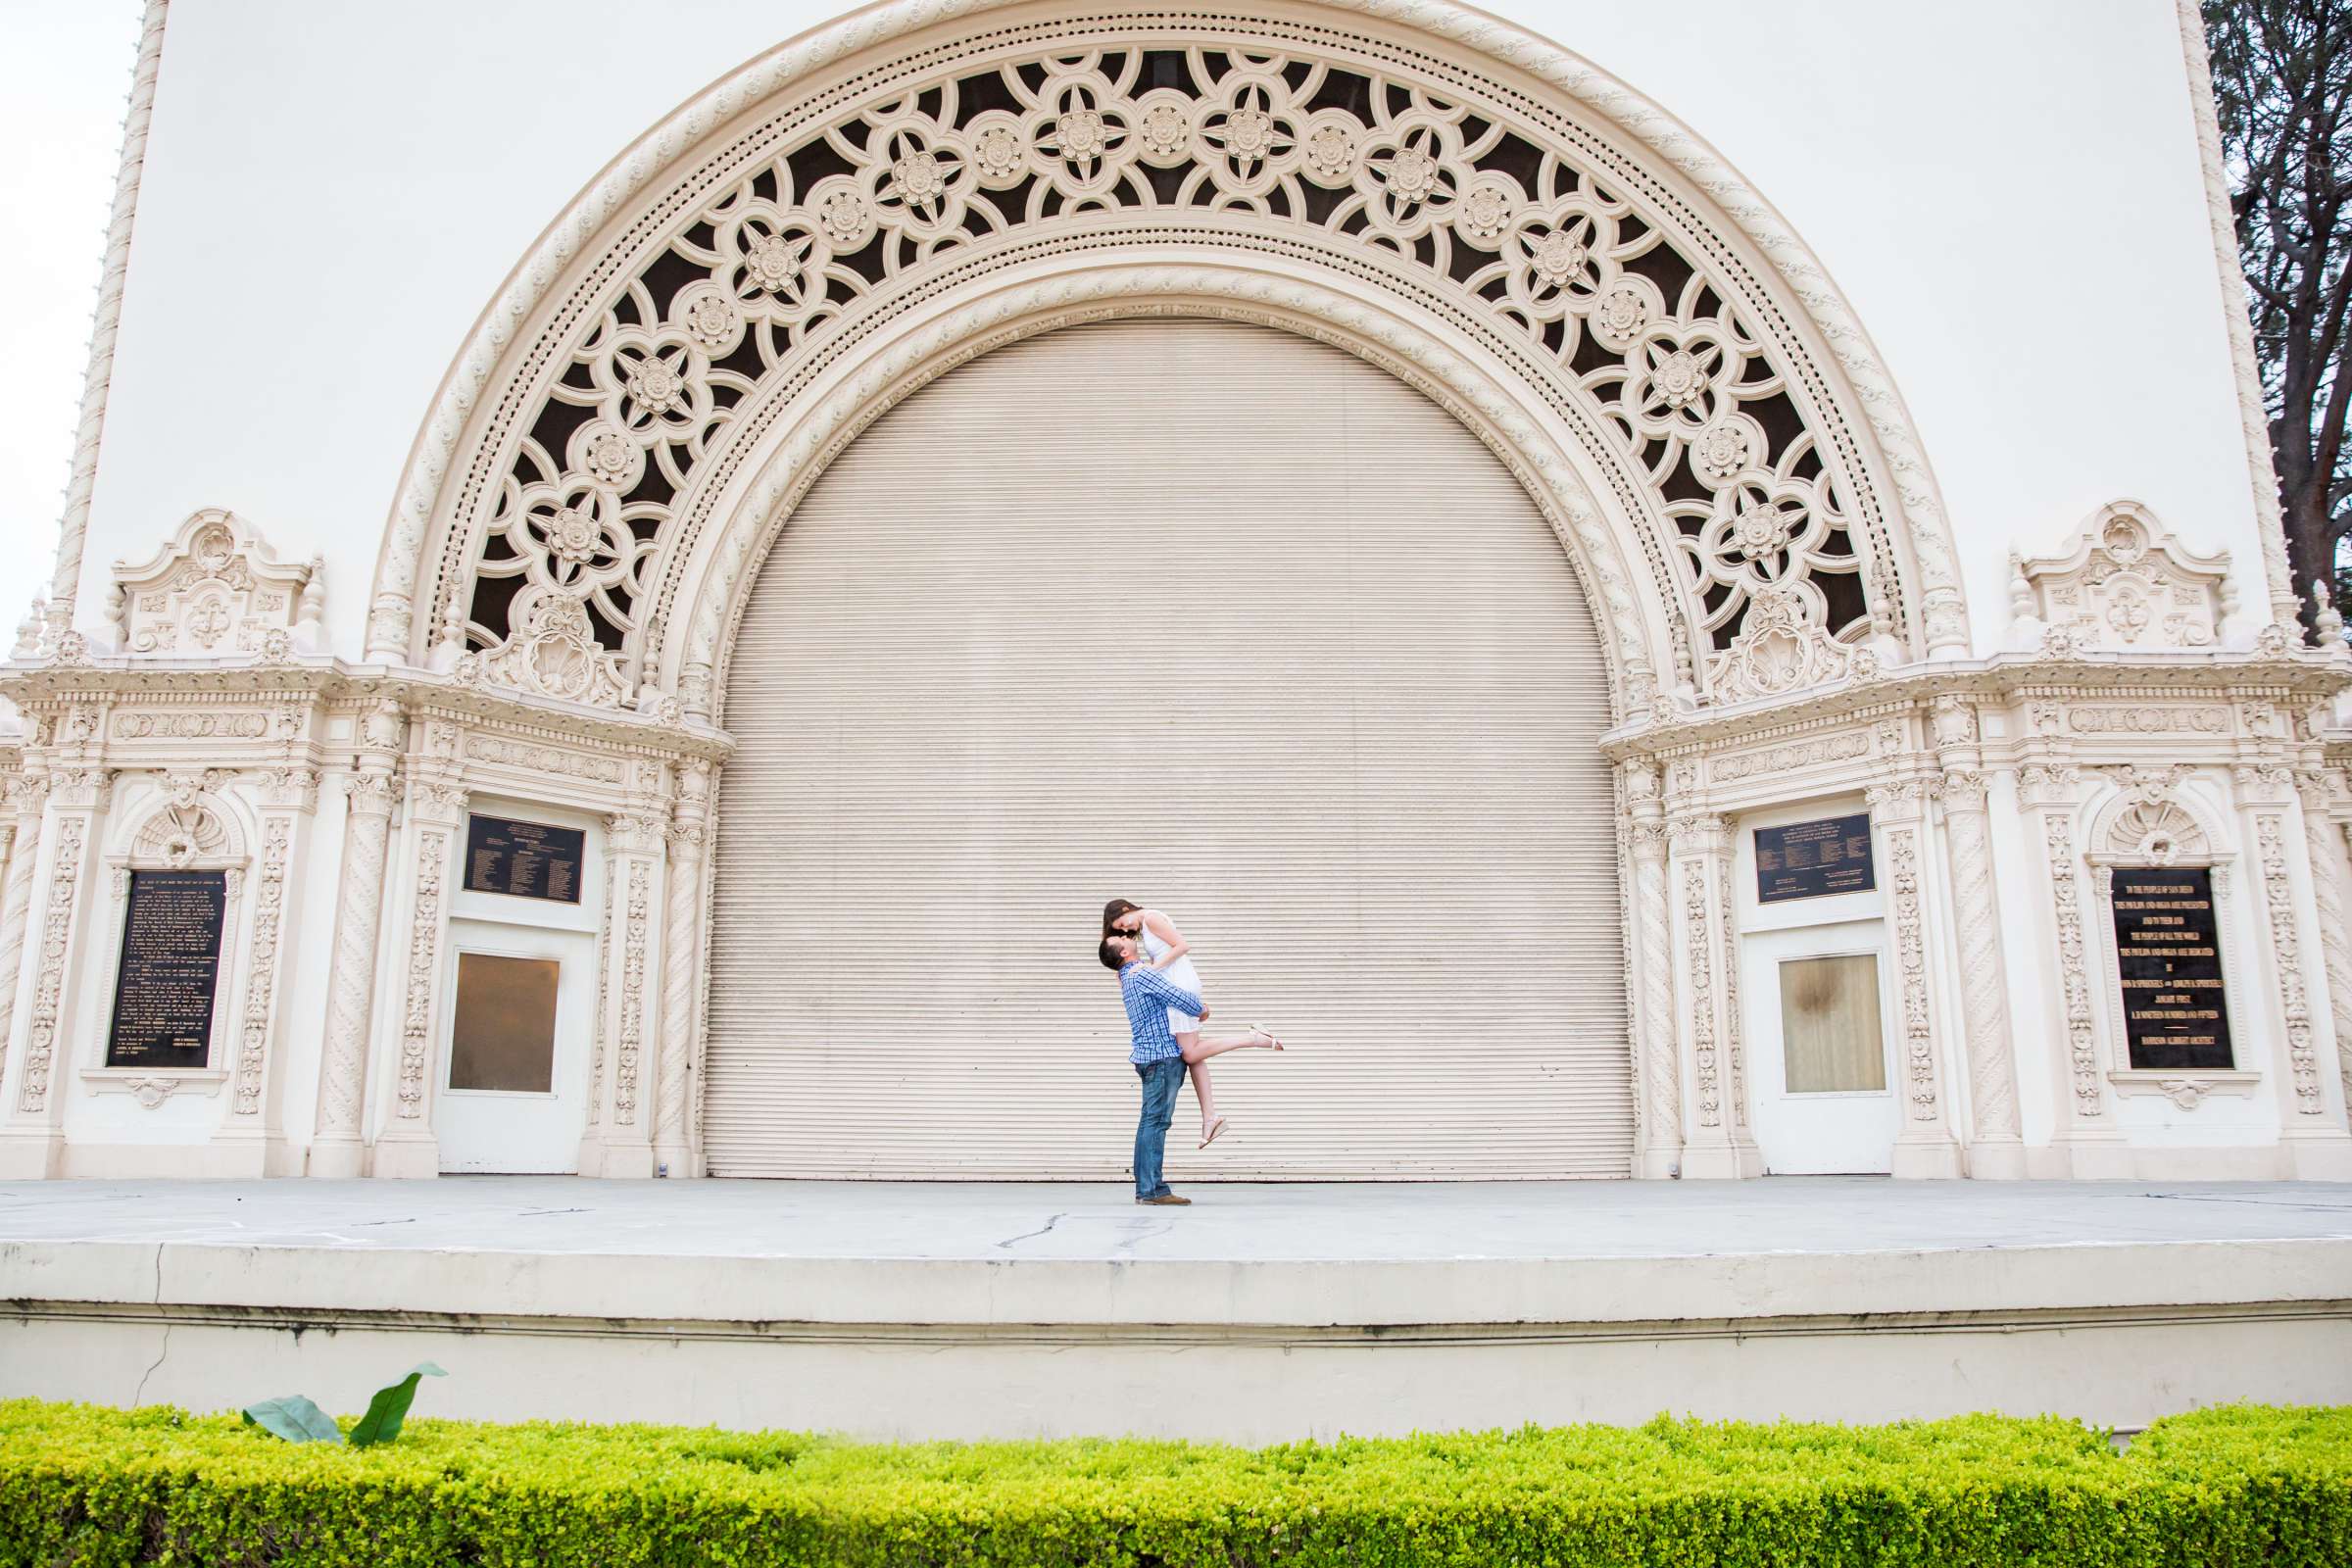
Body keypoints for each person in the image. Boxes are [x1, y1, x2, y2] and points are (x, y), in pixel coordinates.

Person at [1098, 929, 1280, 1205]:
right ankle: (1151, 1191)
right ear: (1124, 953)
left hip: (1149, 1057)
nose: (1126, 936)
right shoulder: (1141, 974)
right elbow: (1180, 998)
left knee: (1150, 1123)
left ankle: (1148, 1189)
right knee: (1155, 1123)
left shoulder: (1125, 977)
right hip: (1161, 1058)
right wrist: (1202, 1008)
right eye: (1121, 940)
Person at [1102, 900, 1281, 1148]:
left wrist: (1150, 969)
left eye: (1122, 923)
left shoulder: (1151, 918)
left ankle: (1254, 1038)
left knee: (1190, 1052)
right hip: (1176, 982)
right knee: (1194, 1055)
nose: (1125, 930)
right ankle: (1210, 1118)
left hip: (1179, 983)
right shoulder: (1145, 926)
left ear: (1125, 909)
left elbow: (1183, 945)